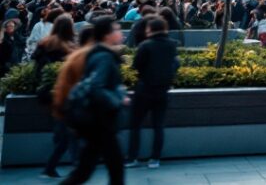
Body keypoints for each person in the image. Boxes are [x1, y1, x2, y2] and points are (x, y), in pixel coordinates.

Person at [61, 16, 127, 185]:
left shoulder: (98, 54)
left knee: (85, 170)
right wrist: (117, 99)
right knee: (115, 166)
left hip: (96, 120)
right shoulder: (104, 56)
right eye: (117, 29)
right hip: (100, 120)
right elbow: (97, 87)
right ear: (106, 35)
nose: (121, 33)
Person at [126, 17, 179, 169]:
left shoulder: (145, 45)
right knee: (158, 125)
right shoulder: (171, 45)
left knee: (135, 125)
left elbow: (136, 66)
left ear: (150, 29)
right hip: (163, 90)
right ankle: (155, 159)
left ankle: (132, 158)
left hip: (144, 89)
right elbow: (175, 63)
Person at [33, 15, 78, 179]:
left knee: (65, 129)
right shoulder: (68, 47)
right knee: (68, 132)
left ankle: (70, 164)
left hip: (48, 90)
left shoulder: (45, 42)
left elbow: (36, 65)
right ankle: (56, 166)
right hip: (64, 92)